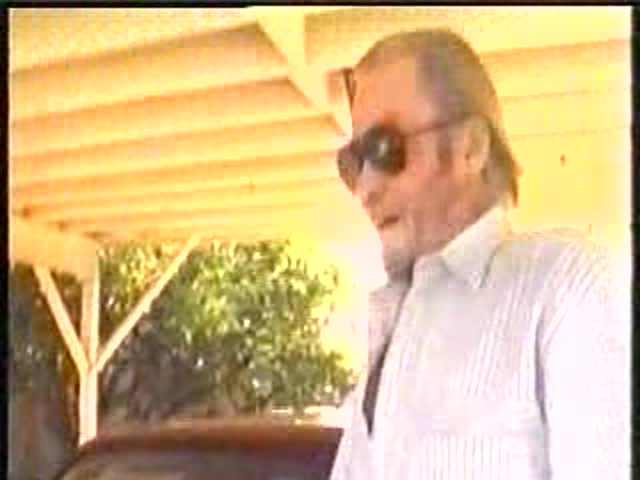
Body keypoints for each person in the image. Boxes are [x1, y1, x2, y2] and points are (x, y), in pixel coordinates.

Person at [330, 28, 629, 479]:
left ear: (470, 148)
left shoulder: (568, 285)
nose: (366, 188)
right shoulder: (393, 327)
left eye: (384, 148)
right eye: (353, 163)